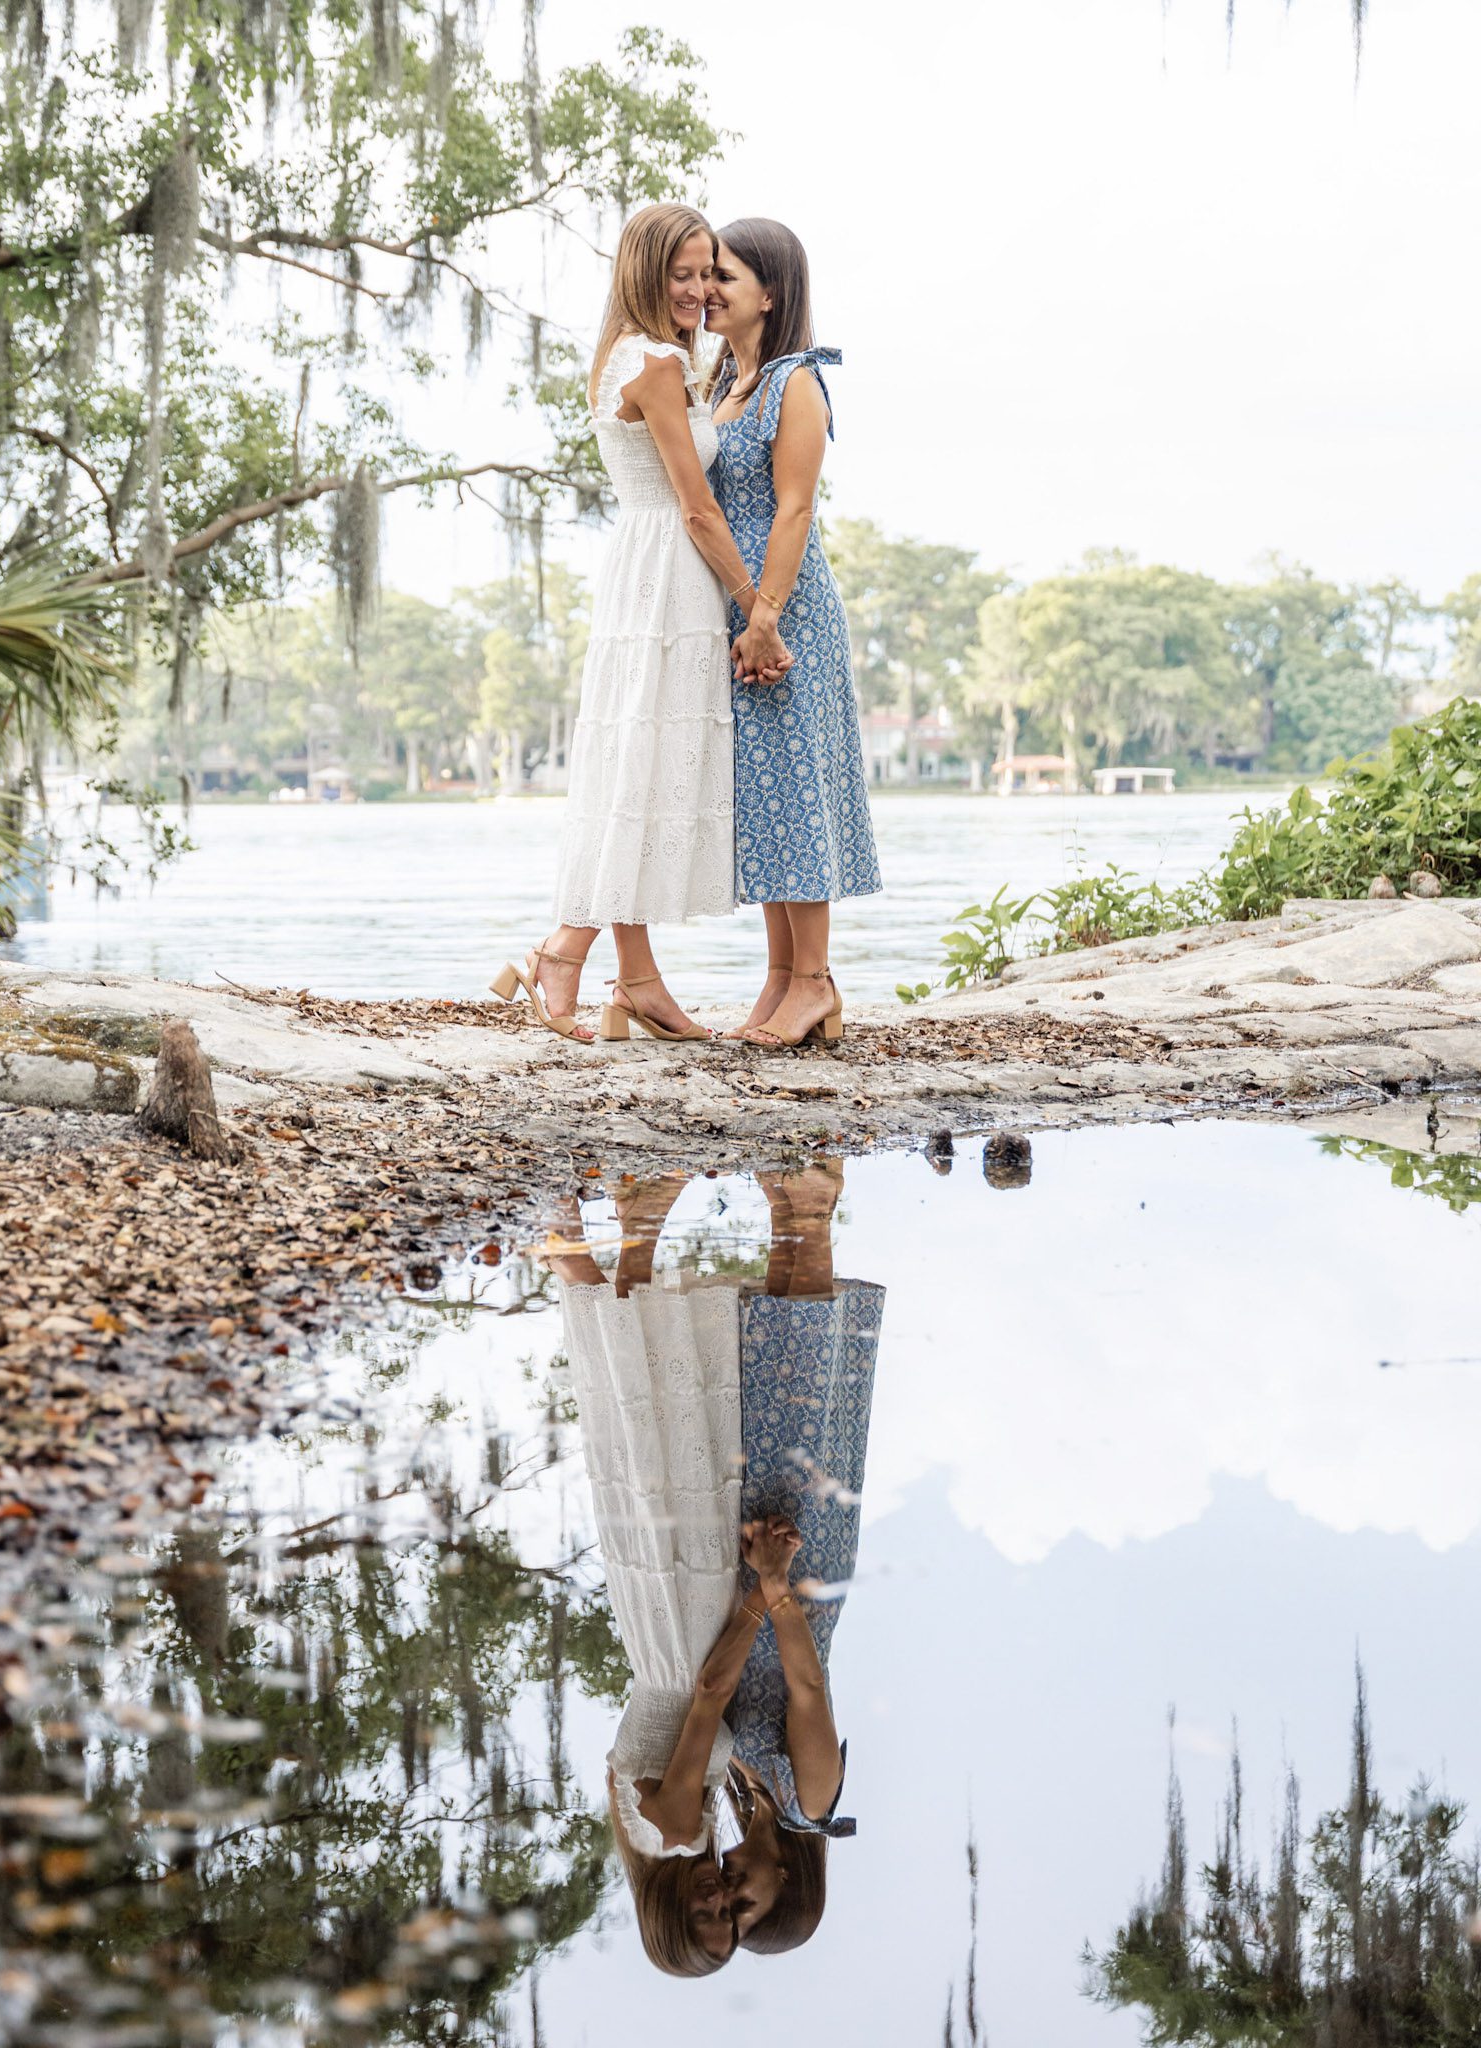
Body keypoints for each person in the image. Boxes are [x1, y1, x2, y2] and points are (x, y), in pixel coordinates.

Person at [492, 204, 790, 1045]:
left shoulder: (638, 356)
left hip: (649, 569)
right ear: (645, 274)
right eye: (683, 274)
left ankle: (637, 981)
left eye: (709, 273)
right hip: (669, 576)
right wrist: (755, 609)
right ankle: (564, 953)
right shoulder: (655, 364)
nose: (699, 290)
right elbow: (696, 507)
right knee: (642, 772)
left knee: (643, 766)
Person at [544, 1175, 755, 1975]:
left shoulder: (669, 1831)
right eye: (728, 1914)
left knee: (660, 1440)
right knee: (640, 1441)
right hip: (655, 1630)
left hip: (681, 1631)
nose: (717, 1899)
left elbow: (706, 1698)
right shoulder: (650, 1833)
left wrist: (762, 1599)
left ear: (667, 1914)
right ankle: (603, 1230)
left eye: (701, 1916)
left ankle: (623, 1228)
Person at [704, 218, 882, 1047]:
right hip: (740, 616)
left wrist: (765, 616)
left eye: (725, 278)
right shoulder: (721, 389)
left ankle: (813, 982)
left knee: (796, 789)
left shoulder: (793, 385)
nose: (707, 291)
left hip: (786, 613)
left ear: (769, 295)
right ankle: (781, 981)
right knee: (766, 800)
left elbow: (795, 508)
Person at [720, 1161, 883, 1952]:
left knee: (763, 1388)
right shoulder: (810, 1802)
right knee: (802, 1394)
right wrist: (776, 1586)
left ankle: (787, 1199)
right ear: (784, 1888)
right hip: (794, 1585)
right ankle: (814, 1206)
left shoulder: (744, 1796)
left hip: (761, 1583)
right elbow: (808, 1688)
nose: (728, 1895)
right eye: (742, 1907)